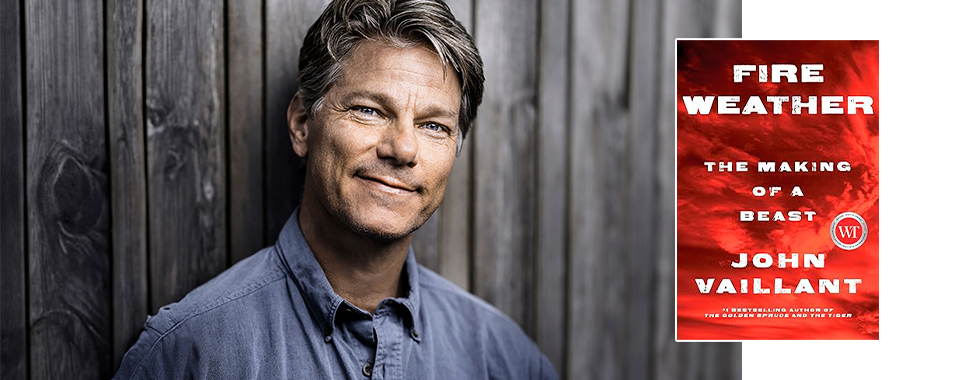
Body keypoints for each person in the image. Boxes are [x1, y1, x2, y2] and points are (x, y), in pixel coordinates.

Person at [113, 0, 557, 378]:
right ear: (303, 124)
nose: (403, 148)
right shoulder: (188, 353)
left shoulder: (504, 358)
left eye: (433, 126)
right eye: (368, 110)